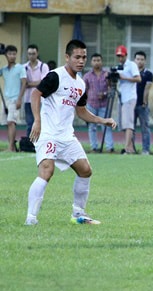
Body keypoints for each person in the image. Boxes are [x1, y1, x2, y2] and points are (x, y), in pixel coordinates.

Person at [24, 39, 117, 226]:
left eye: (84, 57)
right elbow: (36, 94)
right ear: (67, 57)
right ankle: (31, 219)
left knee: (85, 170)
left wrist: (102, 120)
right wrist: (37, 120)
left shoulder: (81, 84)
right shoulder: (55, 76)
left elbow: (81, 111)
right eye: (77, 57)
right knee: (47, 171)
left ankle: (78, 214)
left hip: (66, 136)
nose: (81, 61)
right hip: (48, 133)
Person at [83, 53, 114, 153]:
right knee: (92, 126)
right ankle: (94, 147)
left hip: (104, 104)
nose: (97, 62)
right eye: (94, 60)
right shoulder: (87, 76)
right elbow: (84, 90)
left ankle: (109, 147)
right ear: (91, 62)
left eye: (98, 60)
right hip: (91, 104)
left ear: (102, 62)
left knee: (106, 125)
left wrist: (104, 94)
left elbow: (111, 89)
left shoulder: (107, 75)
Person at [0, 45, 27, 151]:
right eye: (10, 54)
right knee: (7, 123)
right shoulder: (4, 70)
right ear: (6, 55)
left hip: (15, 98)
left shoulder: (20, 68)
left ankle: (11, 147)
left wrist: (20, 99)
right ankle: (11, 145)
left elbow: (24, 83)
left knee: (12, 122)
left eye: (14, 54)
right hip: (5, 99)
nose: (12, 56)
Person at [115, 45, 141, 154]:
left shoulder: (131, 65)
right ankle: (130, 148)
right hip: (122, 97)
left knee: (128, 123)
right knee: (123, 124)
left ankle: (126, 148)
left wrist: (124, 77)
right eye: (118, 56)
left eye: (121, 56)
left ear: (126, 55)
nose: (120, 58)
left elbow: (138, 78)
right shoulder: (118, 67)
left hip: (130, 97)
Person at [24, 44, 50, 137]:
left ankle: (41, 143)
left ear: (37, 53)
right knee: (30, 123)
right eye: (29, 54)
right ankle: (29, 144)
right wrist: (35, 83)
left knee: (41, 123)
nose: (31, 56)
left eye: (33, 53)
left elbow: (43, 83)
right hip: (27, 99)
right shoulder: (24, 67)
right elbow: (22, 82)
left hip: (41, 100)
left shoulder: (43, 66)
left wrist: (29, 84)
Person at [133, 51, 153, 155]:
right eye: (138, 59)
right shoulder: (131, 73)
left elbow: (147, 89)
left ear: (145, 61)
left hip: (142, 105)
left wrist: (145, 101)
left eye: (142, 59)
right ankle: (131, 148)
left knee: (145, 128)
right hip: (131, 104)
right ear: (134, 60)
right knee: (131, 128)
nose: (139, 61)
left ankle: (146, 149)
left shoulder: (148, 74)